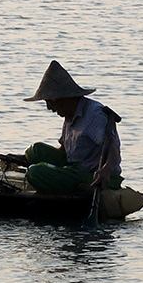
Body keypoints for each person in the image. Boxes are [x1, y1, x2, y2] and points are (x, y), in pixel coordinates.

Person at [20, 61, 122, 196]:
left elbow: (113, 146)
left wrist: (106, 171)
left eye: (50, 102)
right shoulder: (69, 117)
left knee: (34, 172)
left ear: (63, 98)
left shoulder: (94, 114)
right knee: (36, 150)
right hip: (74, 167)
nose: (49, 108)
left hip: (92, 174)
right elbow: (64, 151)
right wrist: (28, 158)